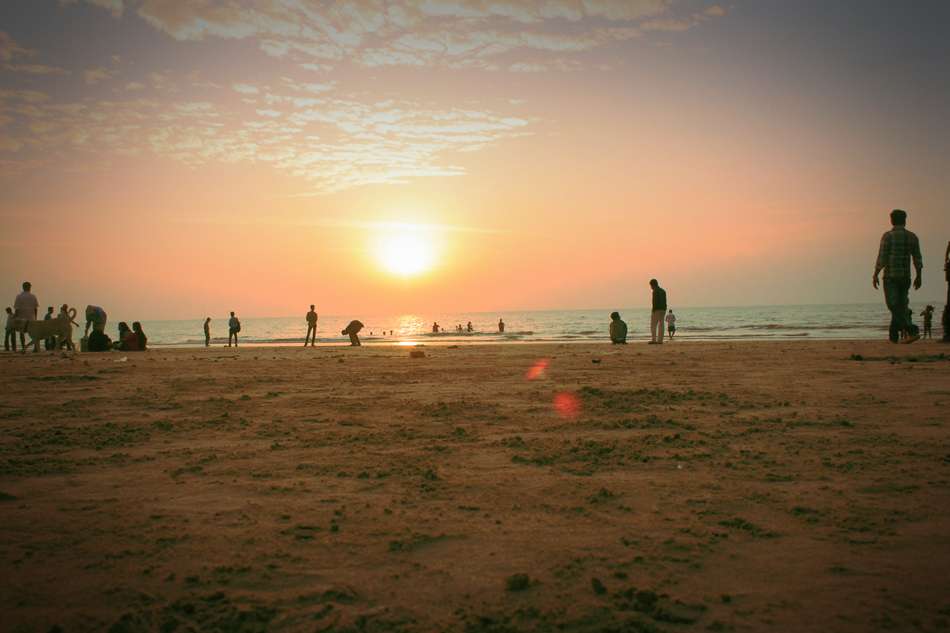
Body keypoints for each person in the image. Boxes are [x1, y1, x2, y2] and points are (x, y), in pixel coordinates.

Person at [874, 209, 922, 344]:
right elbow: (917, 258)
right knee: (901, 304)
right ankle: (893, 336)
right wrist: (919, 276)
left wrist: (876, 273)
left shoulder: (888, 236)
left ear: (892, 220)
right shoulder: (912, 237)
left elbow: (882, 257)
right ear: (904, 220)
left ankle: (910, 328)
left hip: (890, 277)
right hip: (906, 277)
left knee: (893, 305)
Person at [13, 281, 38, 348]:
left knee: (22, 333)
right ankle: (35, 347)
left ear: (23, 287)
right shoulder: (33, 296)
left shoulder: (19, 296)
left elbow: (17, 309)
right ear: (29, 287)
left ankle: (23, 347)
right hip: (31, 318)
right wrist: (35, 317)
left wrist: (15, 317)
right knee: (34, 334)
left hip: (22, 318)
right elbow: (35, 309)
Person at [649, 279, 667, 344]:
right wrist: (665, 308)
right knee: (661, 324)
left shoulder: (655, 291)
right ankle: (660, 340)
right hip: (663, 309)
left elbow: (654, 301)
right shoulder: (663, 291)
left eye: (651, 286)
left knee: (653, 325)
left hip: (657, 309)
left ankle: (654, 340)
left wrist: (653, 309)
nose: (650, 287)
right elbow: (665, 301)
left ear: (653, 285)